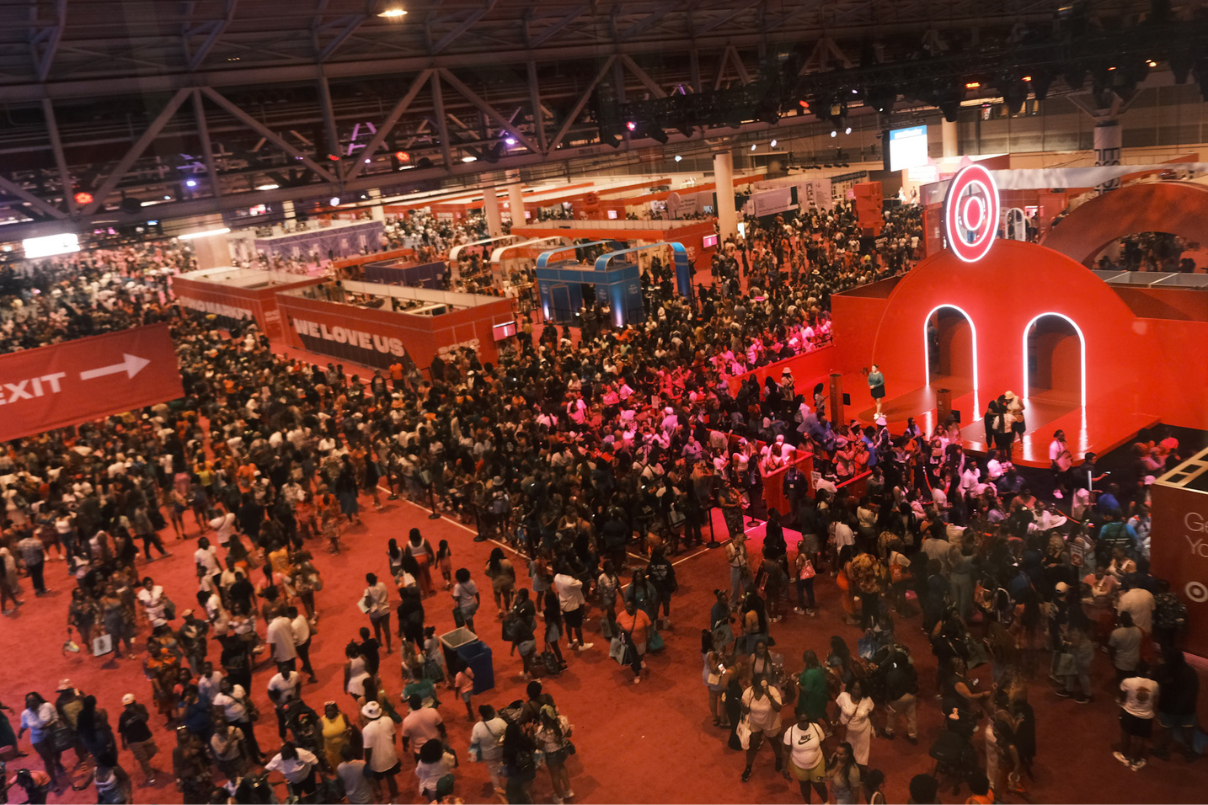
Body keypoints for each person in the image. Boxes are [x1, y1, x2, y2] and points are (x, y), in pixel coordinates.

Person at [740, 674, 784, 782]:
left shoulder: (772, 691)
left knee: (774, 742)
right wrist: (742, 706)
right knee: (752, 745)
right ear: (755, 686)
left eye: (766, 682)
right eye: (762, 684)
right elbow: (745, 711)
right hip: (755, 723)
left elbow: (778, 708)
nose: (765, 686)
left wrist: (769, 696)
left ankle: (779, 759)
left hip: (771, 723)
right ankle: (748, 767)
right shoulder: (748, 692)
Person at [1116, 664, 1159, 771]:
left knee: (1126, 733)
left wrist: (1121, 703)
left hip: (1129, 712)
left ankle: (1124, 756)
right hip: (1146, 715)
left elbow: (1122, 696)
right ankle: (1136, 761)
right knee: (1140, 738)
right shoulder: (1154, 684)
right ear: (1148, 672)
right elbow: (1155, 698)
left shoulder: (1128, 681)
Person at [18, 693, 65, 788]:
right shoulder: (25, 714)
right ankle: (53, 780)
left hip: (51, 734)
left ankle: (57, 762)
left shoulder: (47, 706)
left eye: (33, 700)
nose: (31, 703)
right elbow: (24, 726)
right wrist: (20, 733)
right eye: (29, 701)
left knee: (57, 752)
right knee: (47, 760)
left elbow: (56, 718)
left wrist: (49, 724)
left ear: (38, 699)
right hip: (37, 738)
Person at [782, 710, 828, 804]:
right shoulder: (790, 732)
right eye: (802, 721)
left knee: (819, 785)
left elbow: (823, 744)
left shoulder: (816, 728)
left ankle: (826, 802)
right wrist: (784, 768)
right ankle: (808, 803)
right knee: (804, 785)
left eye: (807, 720)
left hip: (817, 762)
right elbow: (786, 751)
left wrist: (828, 760)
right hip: (799, 765)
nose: (805, 723)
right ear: (797, 720)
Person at [360, 700, 401, 803]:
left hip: (376, 760)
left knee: (376, 780)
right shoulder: (388, 720)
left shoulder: (367, 730)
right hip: (390, 755)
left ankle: (380, 797)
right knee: (390, 777)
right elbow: (394, 738)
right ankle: (394, 797)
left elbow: (368, 749)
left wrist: (368, 762)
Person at [470, 704, 508, 797]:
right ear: (492, 712)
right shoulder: (500, 722)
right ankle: (509, 784)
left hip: (488, 754)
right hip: (501, 751)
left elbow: (474, 741)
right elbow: (508, 733)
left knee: (493, 772)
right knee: (506, 766)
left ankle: (497, 788)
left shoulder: (477, 727)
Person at [835, 679, 874, 767]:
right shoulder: (843, 696)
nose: (856, 691)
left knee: (862, 751)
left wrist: (876, 728)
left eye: (858, 689)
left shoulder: (868, 700)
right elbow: (836, 710)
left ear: (863, 689)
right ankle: (848, 767)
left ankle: (860, 767)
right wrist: (834, 723)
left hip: (863, 731)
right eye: (854, 688)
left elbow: (872, 714)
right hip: (847, 731)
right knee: (847, 751)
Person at [616, 598, 652, 684]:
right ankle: (637, 674)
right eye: (626, 607)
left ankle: (640, 659)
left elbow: (648, 625)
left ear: (634, 607)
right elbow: (617, 623)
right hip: (629, 642)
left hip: (641, 640)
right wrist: (621, 628)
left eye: (629, 607)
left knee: (641, 653)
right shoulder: (621, 615)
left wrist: (649, 636)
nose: (627, 609)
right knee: (633, 659)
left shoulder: (641, 614)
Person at [400, 694, 445, 759]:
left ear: (410, 705)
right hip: (436, 746)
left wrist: (405, 746)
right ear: (421, 701)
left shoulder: (407, 721)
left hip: (420, 751)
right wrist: (443, 736)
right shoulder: (432, 711)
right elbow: (441, 727)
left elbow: (405, 737)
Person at [319, 701, 356, 773]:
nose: (329, 712)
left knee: (350, 768)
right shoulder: (320, 722)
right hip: (331, 752)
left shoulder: (343, 716)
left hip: (345, 750)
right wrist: (321, 749)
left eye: (331, 710)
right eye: (327, 711)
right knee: (338, 770)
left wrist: (349, 729)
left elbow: (349, 726)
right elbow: (318, 736)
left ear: (336, 710)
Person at [361, 573, 393, 655]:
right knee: (387, 629)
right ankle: (389, 648)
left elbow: (367, 604)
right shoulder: (382, 584)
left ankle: (379, 643)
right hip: (385, 611)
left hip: (375, 614)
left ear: (368, 581)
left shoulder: (367, 591)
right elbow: (386, 594)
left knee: (376, 629)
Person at [415, 738, 455, 802]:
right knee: (446, 801)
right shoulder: (445, 757)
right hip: (445, 784)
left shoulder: (422, 763)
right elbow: (452, 762)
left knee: (432, 801)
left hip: (431, 788)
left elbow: (418, 773)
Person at [452, 567, 481, 633]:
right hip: (472, 604)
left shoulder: (457, 586)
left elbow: (457, 598)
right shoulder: (472, 582)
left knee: (469, 626)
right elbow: (476, 593)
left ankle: (474, 637)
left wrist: (453, 597)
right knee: (470, 621)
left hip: (464, 607)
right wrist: (478, 603)